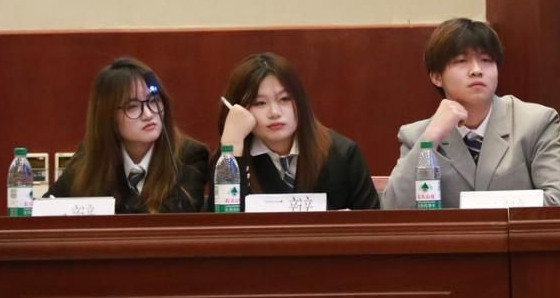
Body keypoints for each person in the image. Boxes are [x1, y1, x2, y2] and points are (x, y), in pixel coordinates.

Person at [383, 18, 560, 209]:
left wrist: (479, 206)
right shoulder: (417, 136)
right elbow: (392, 210)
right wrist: (430, 139)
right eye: (461, 61)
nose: (476, 70)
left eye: (486, 60)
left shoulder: (535, 123)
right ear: (436, 77)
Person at [216, 53, 379, 210]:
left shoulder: (342, 153)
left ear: (301, 101)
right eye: (259, 103)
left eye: (284, 99)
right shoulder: (230, 155)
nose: (274, 112)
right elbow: (221, 223)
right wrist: (231, 147)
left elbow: (371, 223)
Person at [49, 57, 208, 212]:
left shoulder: (189, 156)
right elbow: (48, 206)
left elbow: (173, 216)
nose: (148, 114)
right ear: (107, 116)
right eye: (132, 106)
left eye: (153, 101)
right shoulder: (90, 156)